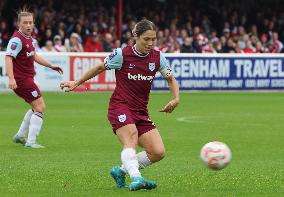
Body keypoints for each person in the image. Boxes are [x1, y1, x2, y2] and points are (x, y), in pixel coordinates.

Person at [60, 19, 179, 191]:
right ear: (135, 37)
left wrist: (176, 98)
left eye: (153, 39)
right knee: (130, 137)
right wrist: (76, 83)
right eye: (146, 39)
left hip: (140, 112)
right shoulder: (122, 55)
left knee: (158, 152)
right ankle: (137, 178)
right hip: (120, 106)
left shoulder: (158, 58)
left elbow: (171, 79)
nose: (150, 43)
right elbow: (100, 67)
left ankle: (121, 171)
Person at [5, 9, 63, 148]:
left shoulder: (30, 38)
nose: (28, 25)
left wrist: (51, 65)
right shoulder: (17, 40)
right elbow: (8, 58)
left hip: (27, 78)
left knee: (35, 107)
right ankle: (30, 142)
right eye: (25, 23)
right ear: (19, 24)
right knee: (40, 107)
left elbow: (34, 56)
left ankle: (20, 136)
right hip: (22, 80)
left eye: (30, 22)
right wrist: (11, 78)